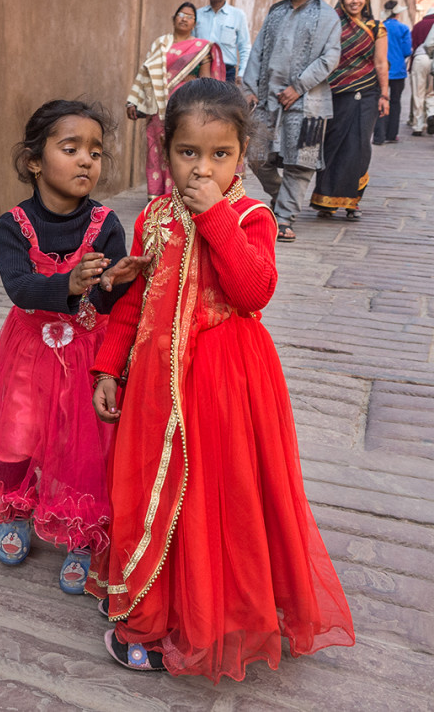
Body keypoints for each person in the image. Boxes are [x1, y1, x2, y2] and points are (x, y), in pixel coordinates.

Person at [90, 78, 355, 681]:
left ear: (241, 155)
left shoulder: (249, 215)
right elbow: (135, 302)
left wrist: (215, 218)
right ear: (166, 152)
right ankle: (155, 607)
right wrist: (108, 366)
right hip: (158, 388)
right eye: (189, 153)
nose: (202, 168)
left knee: (216, 497)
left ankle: (212, 616)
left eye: (220, 155)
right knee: (160, 496)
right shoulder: (155, 217)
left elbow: (252, 290)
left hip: (223, 387)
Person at [0, 100, 148, 595]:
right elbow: (20, 287)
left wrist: (116, 281)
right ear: (36, 161)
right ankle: (16, 511)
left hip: (87, 351)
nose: (87, 160)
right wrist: (68, 282)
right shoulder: (12, 225)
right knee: (18, 432)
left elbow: (109, 299)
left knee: (83, 442)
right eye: (72, 148)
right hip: (29, 352)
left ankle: (80, 534)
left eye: (95, 151)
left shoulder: (106, 224)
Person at [243, 0, 341, 243]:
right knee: (257, 156)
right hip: (267, 100)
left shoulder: (327, 16)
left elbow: (331, 57)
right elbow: (258, 52)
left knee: (300, 163)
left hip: (308, 104)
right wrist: (248, 89)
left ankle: (284, 217)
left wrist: (299, 86)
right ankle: (280, 198)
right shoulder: (276, 11)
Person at [126, 2, 225, 200]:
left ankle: (178, 194)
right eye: (181, 14)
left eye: (189, 16)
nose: (184, 18)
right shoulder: (159, 44)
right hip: (158, 108)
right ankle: (155, 196)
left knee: (180, 148)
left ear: (194, 23)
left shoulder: (201, 48)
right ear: (173, 19)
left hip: (186, 107)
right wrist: (134, 102)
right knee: (156, 149)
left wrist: (191, 82)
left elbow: (206, 82)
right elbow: (145, 76)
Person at [310, 0, 388, 220]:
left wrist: (385, 94)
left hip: (367, 94)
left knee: (360, 147)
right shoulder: (333, 24)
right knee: (332, 145)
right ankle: (326, 200)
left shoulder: (376, 27)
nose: (354, 1)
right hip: (335, 93)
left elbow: (381, 63)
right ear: (342, 0)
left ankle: (353, 201)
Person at [193, 0, 252, 83]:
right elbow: (190, 44)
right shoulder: (198, 15)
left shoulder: (237, 15)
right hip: (200, 70)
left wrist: (241, 73)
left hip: (227, 73)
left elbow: (245, 47)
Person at [374, 1, 413, 144]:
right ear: (397, 13)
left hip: (380, 70)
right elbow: (407, 51)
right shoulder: (403, 28)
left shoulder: (380, 26)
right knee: (395, 102)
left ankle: (379, 136)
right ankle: (391, 134)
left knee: (379, 100)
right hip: (397, 71)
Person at [409, 6, 434, 136]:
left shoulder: (419, 25)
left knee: (418, 93)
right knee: (432, 92)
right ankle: (431, 114)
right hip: (433, 60)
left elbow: (411, 44)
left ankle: (418, 126)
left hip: (420, 57)